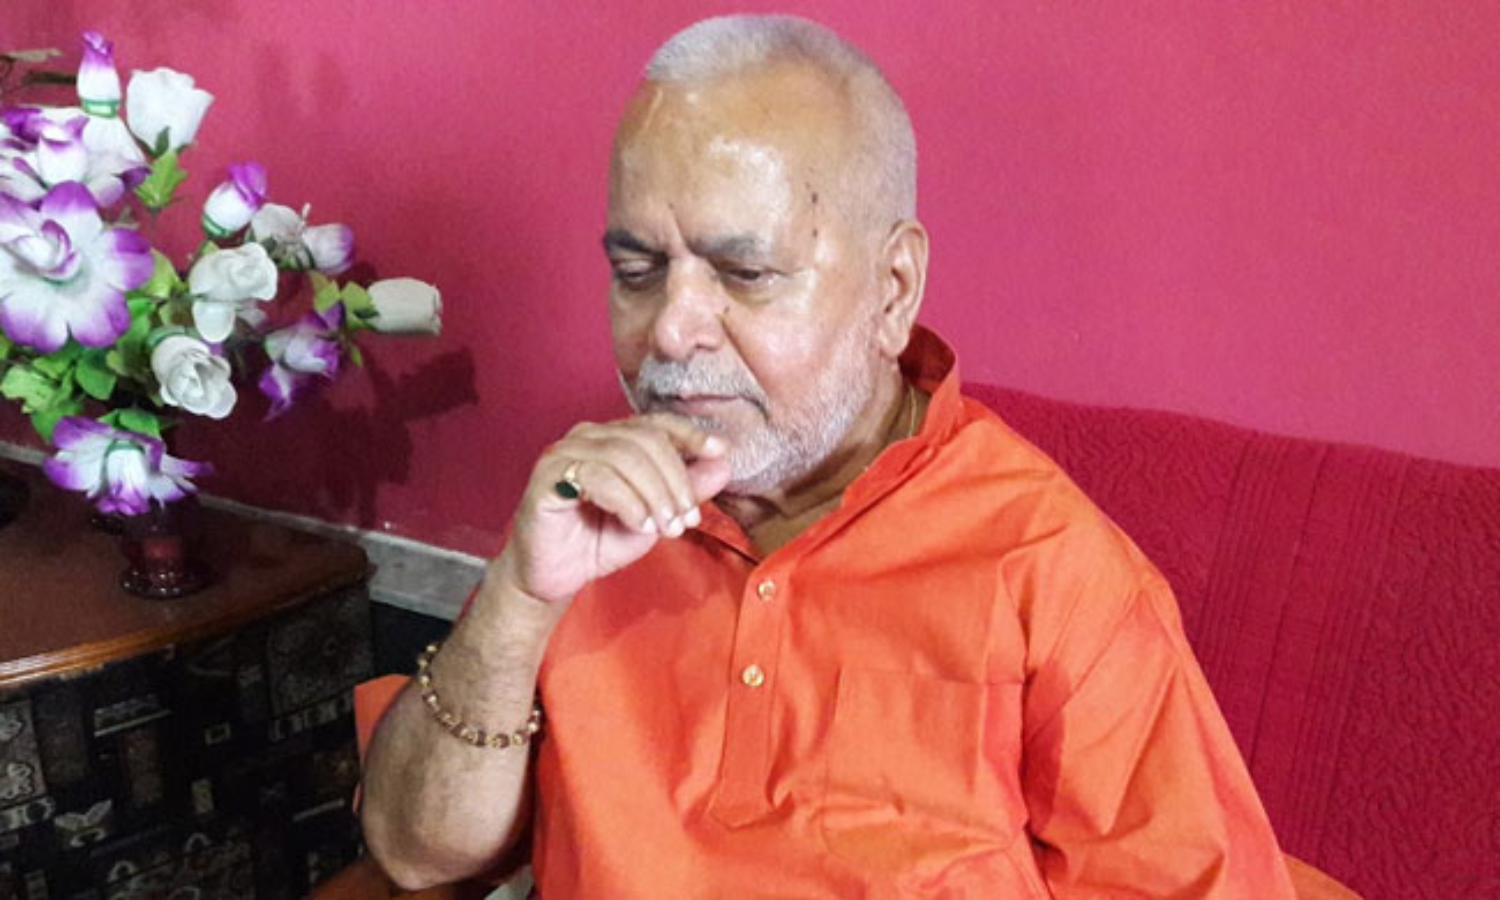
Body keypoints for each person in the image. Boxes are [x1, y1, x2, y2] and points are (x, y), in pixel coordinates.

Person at [360, 14, 1299, 898]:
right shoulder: (590, 507)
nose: (673, 331)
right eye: (637, 272)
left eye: (745, 274)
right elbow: (411, 853)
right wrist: (521, 600)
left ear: (892, 289)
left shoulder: (1048, 568)